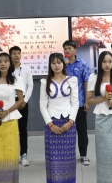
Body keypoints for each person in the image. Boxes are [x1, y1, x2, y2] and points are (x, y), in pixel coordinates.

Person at [86, 51, 112, 183]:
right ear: (100, 63)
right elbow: (89, 100)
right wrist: (103, 98)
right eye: (104, 61)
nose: (107, 64)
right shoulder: (94, 78)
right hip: (101, 117)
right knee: (103, 150)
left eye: (110, 61)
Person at [0, 52, 25, 183]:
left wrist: (7, 111)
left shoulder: (17, 80)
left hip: (11, 119)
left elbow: (20, 100)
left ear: (10, 64)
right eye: (0, 61)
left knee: (10, 152)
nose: (3, 64)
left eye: (6, 61)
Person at [39, 53, 79, 183]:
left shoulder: (72, 80)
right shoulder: (45, 82)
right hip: (52, 124)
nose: (56, 65)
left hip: (68, 124)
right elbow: (42, 106)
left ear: (64, 63)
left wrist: (70, 122)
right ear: (50, 65)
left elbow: (75, 103)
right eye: (53, 63)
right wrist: (50, 124)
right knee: (53, 160)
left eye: (59, 62)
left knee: (69, 159)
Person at [63, 40, 92, 166]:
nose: (67, 51)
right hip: (65, 104)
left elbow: (86, 83)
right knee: (66, 130)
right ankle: (67, 155)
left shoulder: (83, 64)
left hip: (79, 103)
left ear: (75, 50)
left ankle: (83, 155)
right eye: (65, 49)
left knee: (82, 130)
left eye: (69, 48)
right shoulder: (61, 64)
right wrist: (63, 66)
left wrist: (87, 101)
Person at [9, 45, 34, 166]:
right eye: (14, 53)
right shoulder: (7, 69)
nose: (17, 55)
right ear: (10, 55)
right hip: (9, 101)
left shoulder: (26, 69)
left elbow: (30, 85)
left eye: (18, 53)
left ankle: (24, 154)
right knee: (10, 128)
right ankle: (11, 154)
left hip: (23, 101)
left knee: (22, 129)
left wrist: (25, 100)